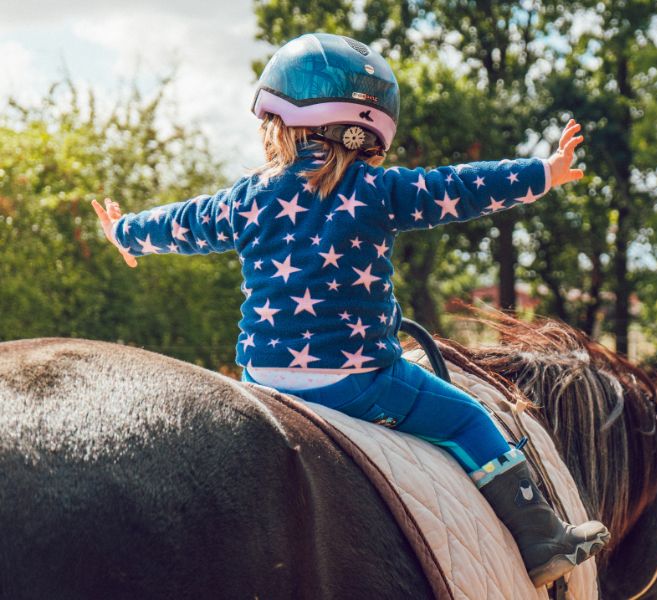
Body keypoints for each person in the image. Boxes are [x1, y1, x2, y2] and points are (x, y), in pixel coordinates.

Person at [93, 32, 609, 586]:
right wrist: (544, 174)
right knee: (468, 418)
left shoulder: (247, 196)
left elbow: (187, 223)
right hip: (359, 382)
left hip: (262, 381)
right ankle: (541, 539)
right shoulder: (378, 190)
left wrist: (126, 233)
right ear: (371, 132)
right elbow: (460, 186)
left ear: (277, 122)